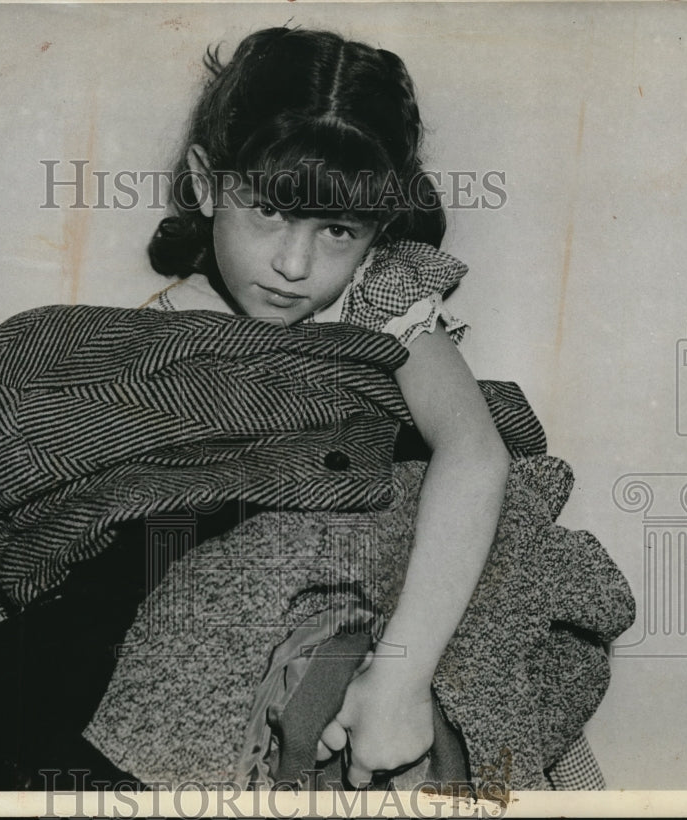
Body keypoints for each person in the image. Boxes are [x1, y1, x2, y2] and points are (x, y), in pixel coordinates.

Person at [139, 26, 511, 787]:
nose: (294, 264)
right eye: (269, 212)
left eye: (337, 230)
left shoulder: (378, 299)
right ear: (207, 183)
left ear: (378, 227)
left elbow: (476, 453)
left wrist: (401, 678)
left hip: (395, 608)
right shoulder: (163, 330)